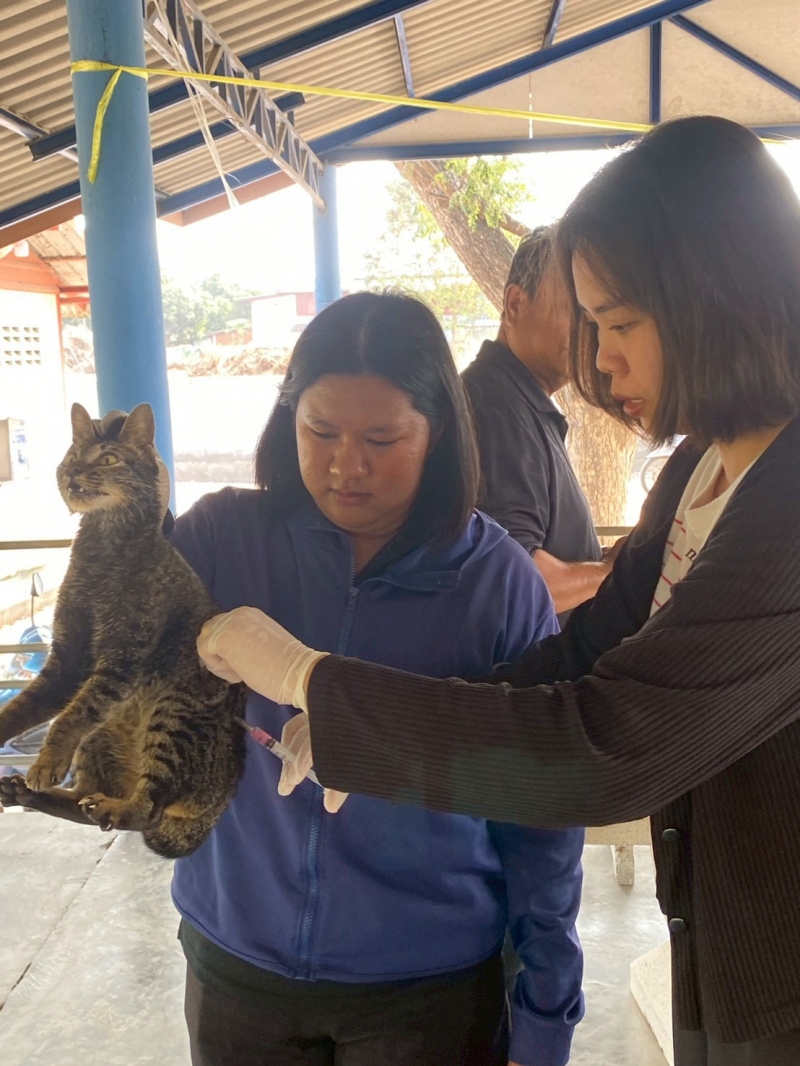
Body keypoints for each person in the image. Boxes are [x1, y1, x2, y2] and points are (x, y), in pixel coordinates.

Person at [197, 118, 800, 1066]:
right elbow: (579, 657)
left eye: (621, 324)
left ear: (716, 293)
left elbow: (605, 747)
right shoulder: (702, 469)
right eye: (593, 328)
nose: (602, 362)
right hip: (730, 938)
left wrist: (312, 679)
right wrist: (361, 727)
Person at [175, 292, 584, 1066]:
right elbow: (107, 660)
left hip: (427, 988)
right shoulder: (220, 539)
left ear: (439, 432)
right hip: (240, 966)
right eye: (320, 431)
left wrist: (546, 1010)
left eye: (382, 439)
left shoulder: (498, 584)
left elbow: (542, 812)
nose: (346, 465)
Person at [461, 226, 613, 619]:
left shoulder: (519, 401)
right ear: (515, 304)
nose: (591, 335)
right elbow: (515, 581)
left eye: (596, 317)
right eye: (576, 312)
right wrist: (613, 574)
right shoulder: (496, 407)